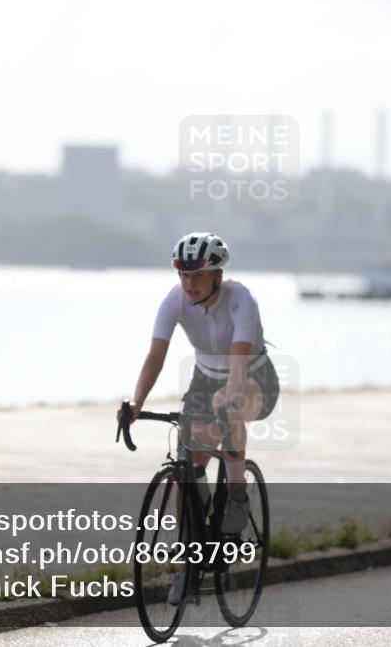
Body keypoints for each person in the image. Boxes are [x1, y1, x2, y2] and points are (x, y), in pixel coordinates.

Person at [119, 232, 279, 602]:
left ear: (217, 276)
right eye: (184, 276)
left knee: (231, 408)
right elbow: (156, 355)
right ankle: (191, 559)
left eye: (198, 276)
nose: (189, 284)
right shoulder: (175, 300)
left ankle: (237, 497)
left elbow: (239, 361)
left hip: (252, 375)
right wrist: (136, 402)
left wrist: (231, 392)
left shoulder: (241, 300)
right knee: (189, 463)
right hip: (205, 379)